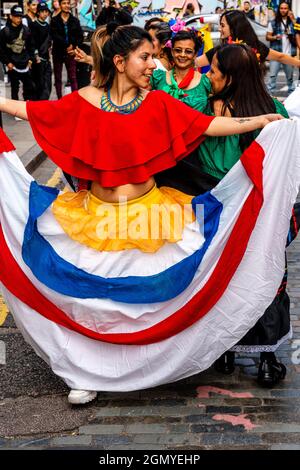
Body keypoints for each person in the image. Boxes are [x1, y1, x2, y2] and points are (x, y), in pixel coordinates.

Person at [0, 24, 295, 405]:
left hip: (150, 217)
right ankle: (83, 370)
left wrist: (258, 121)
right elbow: (36, 111)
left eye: (153, 56)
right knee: (90, 302)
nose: (152, 64)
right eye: (145, 57)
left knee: (144, 302)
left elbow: (206, 126)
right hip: (94, 218)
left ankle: (145, 364)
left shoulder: (156, 102)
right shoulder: (85, 99)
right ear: (120, 62)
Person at [155, 42, 296, 385]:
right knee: (265, 278)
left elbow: (174, 127)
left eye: (214, 72)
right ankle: (266, 358)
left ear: (229, 76)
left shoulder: (208, 109)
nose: (209, 77)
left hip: (215, 211)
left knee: (221, 278)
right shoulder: (276, 110)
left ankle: (225, 351)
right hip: (262, 214)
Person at [194, 9, 300, 72]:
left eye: (222, 25)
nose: (219, 29)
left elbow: (280, 56)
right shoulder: (220, 51)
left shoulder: (255, 47)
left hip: (250, 99)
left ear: (234, 27)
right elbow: (195, 63)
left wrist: (298, 63)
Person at [0, 5, 36, 107]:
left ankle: (27, 106)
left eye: (20, 16)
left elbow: (31, 46)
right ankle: (15, 108)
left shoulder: (26, 30)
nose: (18, 19)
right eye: (16, 16)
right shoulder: (5, 31)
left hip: (25, 63)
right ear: (11, 16)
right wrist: (7, 62)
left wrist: (31, 60)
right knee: (15, 87)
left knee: (30, 86)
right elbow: (1, 50)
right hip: (12, 64)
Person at [50, 0, 83, 98]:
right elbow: (54, 36)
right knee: (58, 78)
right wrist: (67, 45)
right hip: (58, 53)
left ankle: (75, 99)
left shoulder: (75, 20)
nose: (66, 5)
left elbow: (80, 36)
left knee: (73, 77)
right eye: (64, 3)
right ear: (60, 5)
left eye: (68, 3)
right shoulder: (54, 20)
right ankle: (60, 99)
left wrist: (73, 46)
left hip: (71, 53)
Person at [266, 1, 297, 95]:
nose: (283, 10)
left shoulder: (292, 23)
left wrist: (293, 19)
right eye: (281, 8)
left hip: (288, 55)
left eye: (285, 8)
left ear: (288, 10)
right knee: (272, 78)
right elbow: (267, 37)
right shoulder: (273, 22)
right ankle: (270, 100)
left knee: (290, 79)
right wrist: (275, 37)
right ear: (279, 10)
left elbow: (298, 35)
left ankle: (291, 100)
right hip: (276, 54)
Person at [30, 2, 52, 100]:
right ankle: (38, 106)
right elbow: (32, 42)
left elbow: (49, 42)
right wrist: (36, 56)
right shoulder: (34, 25)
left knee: (48, 84)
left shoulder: (47, 25)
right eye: (42, 11)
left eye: (46, 11)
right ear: (38, 13)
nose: (45, 13)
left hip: (46, 59)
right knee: (39, 85)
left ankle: (45, 105)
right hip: (38, 60)